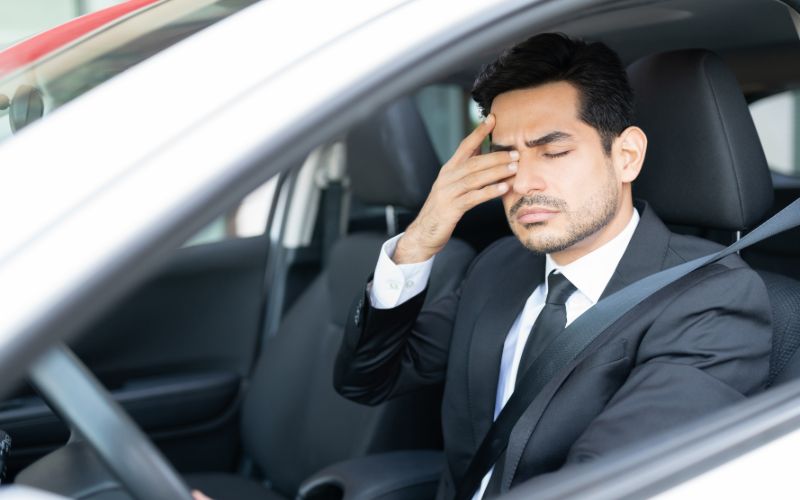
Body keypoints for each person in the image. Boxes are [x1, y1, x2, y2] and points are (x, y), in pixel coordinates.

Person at [334, 33, 772, 499]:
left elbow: (602, 487)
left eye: (554, 151)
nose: (521, 181)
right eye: (505, 156)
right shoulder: (498, 267)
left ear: (626, 157)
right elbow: (368, 380)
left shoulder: (714, 301)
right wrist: (419, 240)